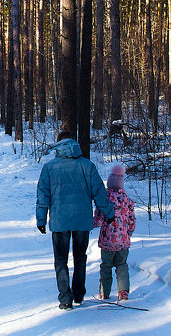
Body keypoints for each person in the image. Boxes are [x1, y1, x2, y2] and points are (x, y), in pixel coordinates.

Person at [35, 132, 115, 310]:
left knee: (60, 260)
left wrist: (41, 219)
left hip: (60, 222)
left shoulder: (49, 168)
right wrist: (109, 213)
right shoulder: (87, 165)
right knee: (80, 257)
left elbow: (43, 195)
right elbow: (99, 193)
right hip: (82, 221)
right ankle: (78, 294)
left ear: (58, 145)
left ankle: (65, 298)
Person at [93, 163, 136, 301]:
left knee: (106, 266)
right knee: (122, 265)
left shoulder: (104, 201)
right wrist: (128, 233)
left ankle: (104, 292)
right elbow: (132, 221)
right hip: (123, 241)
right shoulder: (128, 201)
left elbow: (98, 220)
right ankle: (123, 292)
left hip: (107, 241)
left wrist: (88, 223)